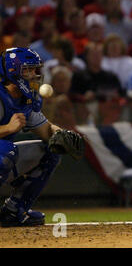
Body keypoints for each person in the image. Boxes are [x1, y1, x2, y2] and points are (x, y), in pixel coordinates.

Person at [0, 47, 84, 227]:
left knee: (50, 150)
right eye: (27, 70)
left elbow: (46, 129)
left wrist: (60, 134)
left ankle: (14, 211)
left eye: (34, 69)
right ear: (13, 70)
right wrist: (7, 128)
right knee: (5, 151)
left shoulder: (24, 99)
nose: (33, 75)